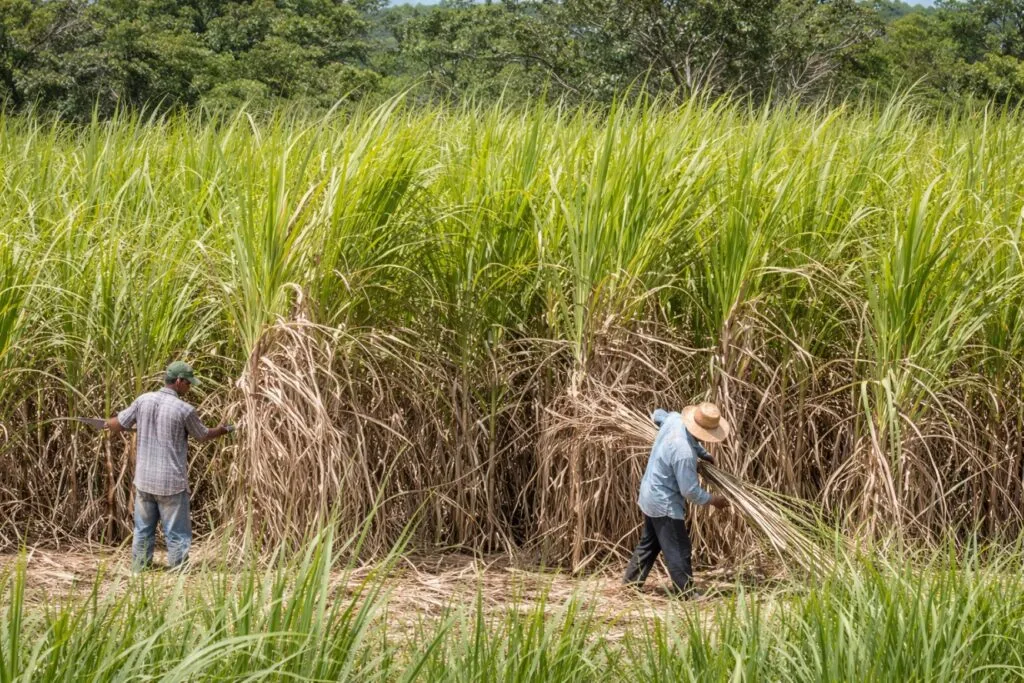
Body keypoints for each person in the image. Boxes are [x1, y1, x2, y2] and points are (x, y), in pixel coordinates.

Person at [105, 361, 234, 570]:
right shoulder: (185, 410)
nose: (189, 387)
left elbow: (119, 423)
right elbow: (202, 435)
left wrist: (105, 423)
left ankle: (139, 569)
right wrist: (222, 430)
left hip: (144, 481)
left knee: (142, 530)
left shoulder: (143, 400)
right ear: (179, 381)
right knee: (176, 533)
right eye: (188, 383)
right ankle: (178, 572)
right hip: (171, 484)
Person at [623, 402, 730, 595]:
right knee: (679, 549)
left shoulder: (674, 420)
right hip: (664, 502)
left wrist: (704, 454)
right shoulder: (684, 453)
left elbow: (657, 414)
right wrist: (715, 500)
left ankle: (630, 586)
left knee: (649, 544)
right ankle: (686, 593)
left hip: (649, 493)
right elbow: (689, 491)